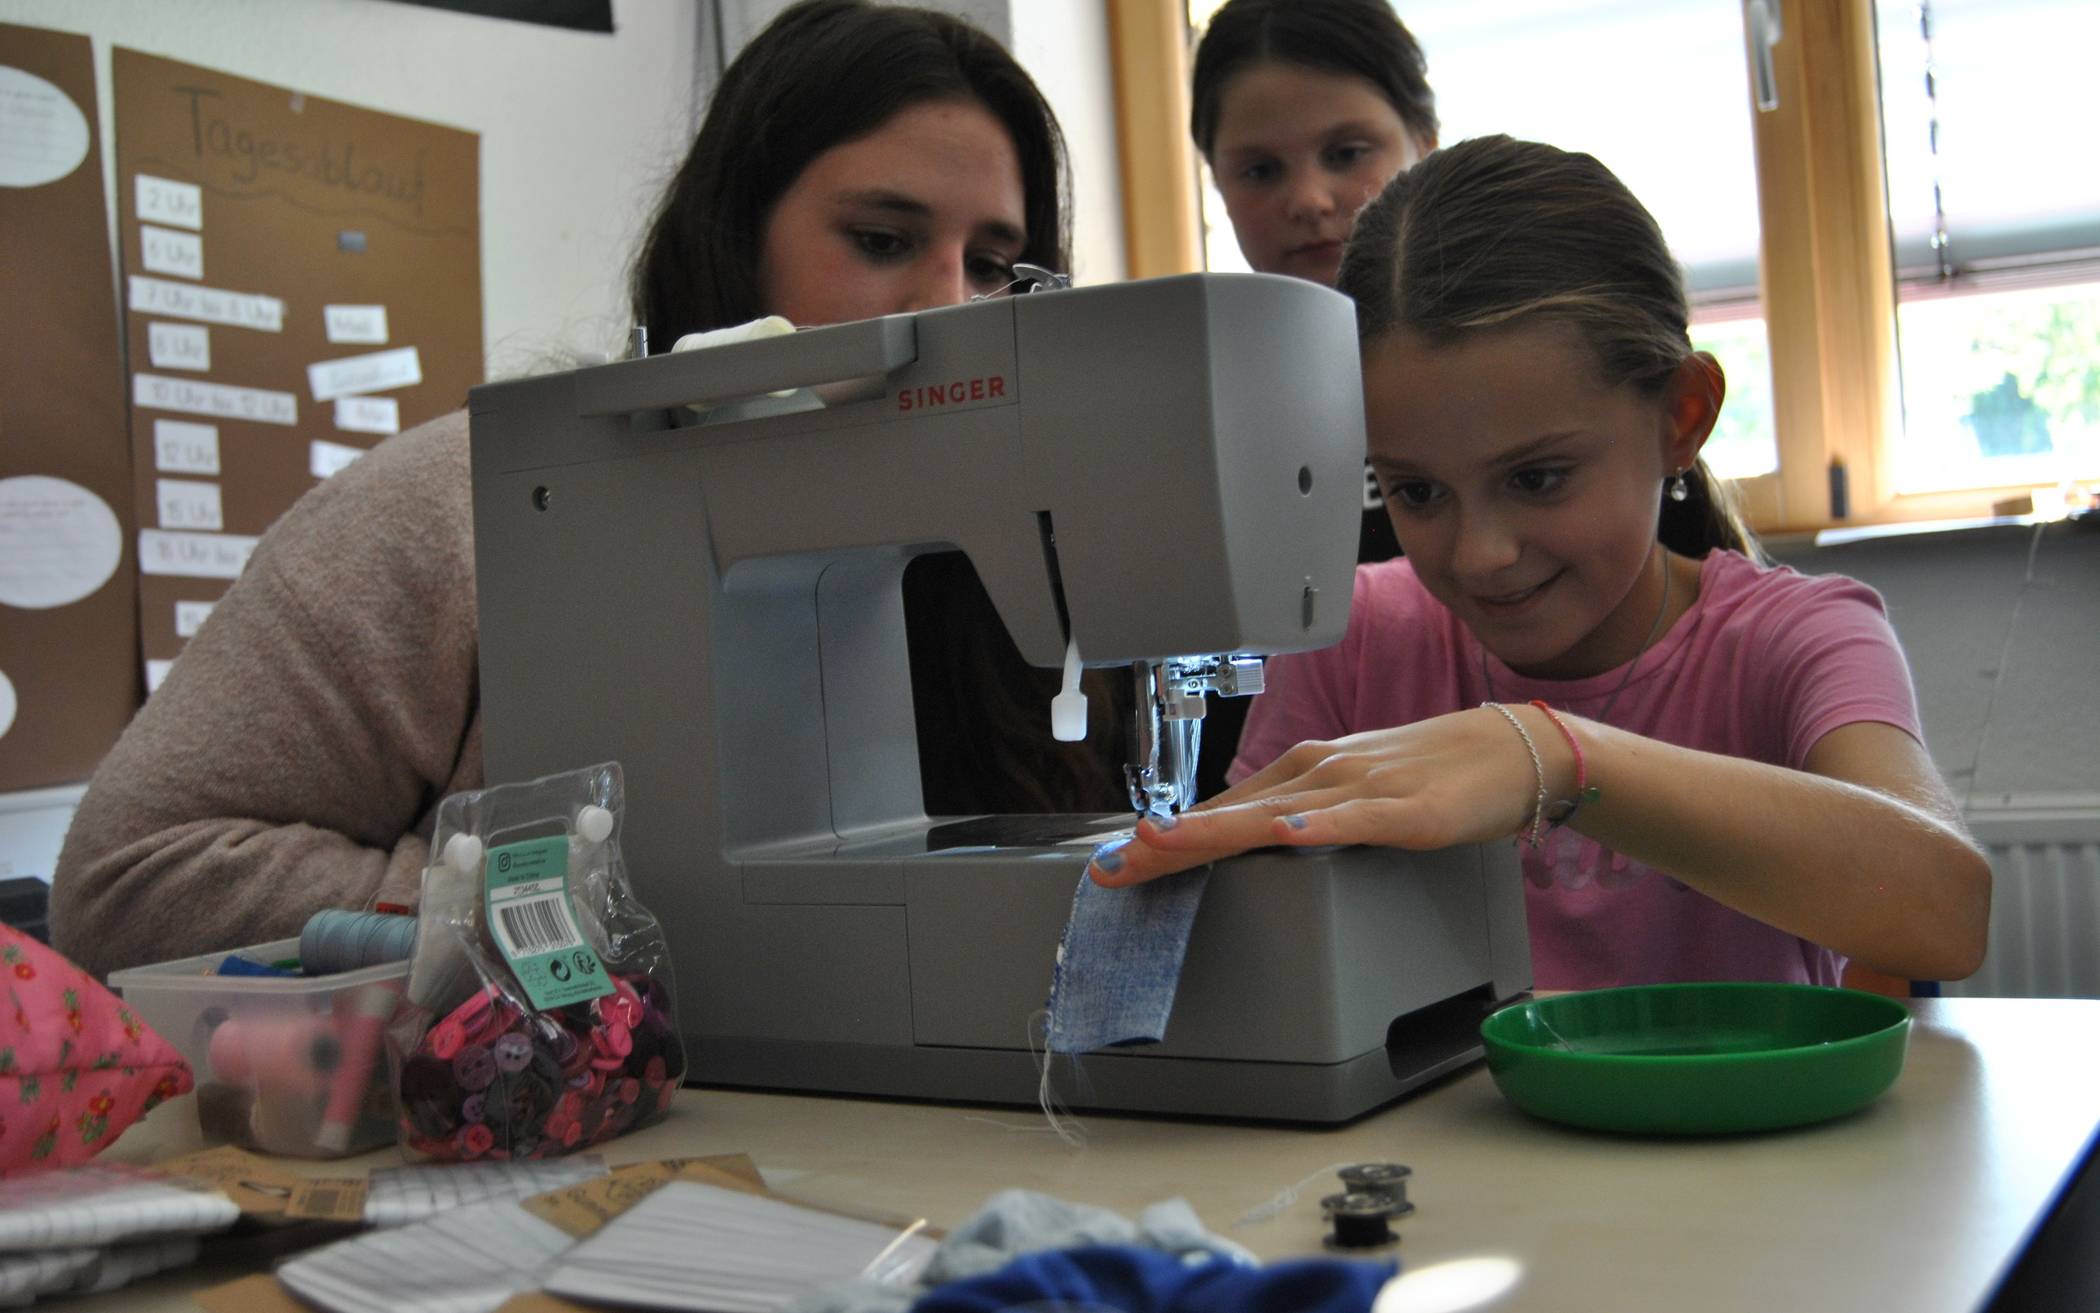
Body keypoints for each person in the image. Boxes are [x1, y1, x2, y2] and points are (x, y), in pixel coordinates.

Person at [52, 0, 1114, 978]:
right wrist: (508, 913)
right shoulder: (461, 509)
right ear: (734, 239)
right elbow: (126, 879)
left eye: (995, 267)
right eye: (882, 241)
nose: (951, 306)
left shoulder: (1025, 542)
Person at [1086, 136, 1991, 991]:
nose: (1481, 554)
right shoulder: (1356, 638)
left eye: (1538, 477)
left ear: (1681, 416)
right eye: (1419, 493)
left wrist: (1559, 757)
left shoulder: (1798, 637)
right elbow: (1248, 932)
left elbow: (1948, 911)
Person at [1187, 0, 1440, 797]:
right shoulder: (1182, 412)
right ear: (1217, 183)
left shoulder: (1532, 378)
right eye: (1260, 170)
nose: (1309, 198)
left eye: (1347, 152)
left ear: (1425, 143)